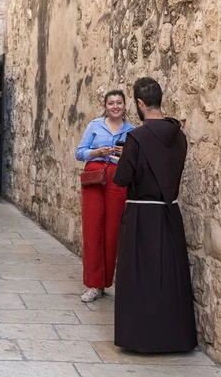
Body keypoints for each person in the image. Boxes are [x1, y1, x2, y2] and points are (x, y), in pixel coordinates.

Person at [112, 77, 197, 352]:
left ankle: (142, 338)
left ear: (138, 103)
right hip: (170, 212)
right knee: (168, 276)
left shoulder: (136, 137)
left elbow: (123, 179)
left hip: (141, 214)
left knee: (141, 276)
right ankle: (174, 338)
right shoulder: (180, 136)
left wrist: (122, 158)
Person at [75, 90, 135, 303]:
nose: (115, 106)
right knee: (92, 229)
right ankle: (92, 284)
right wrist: (97, 152)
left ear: (125, 105)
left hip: (117, 180)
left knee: (112, 231)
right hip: (94, 179)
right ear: (106, 105)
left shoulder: (132, 131)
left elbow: (135, 161)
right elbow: (79, 152)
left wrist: (124, 154)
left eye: (119, 102)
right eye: (111, 103)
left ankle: (105, 281)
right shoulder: (94, 126)